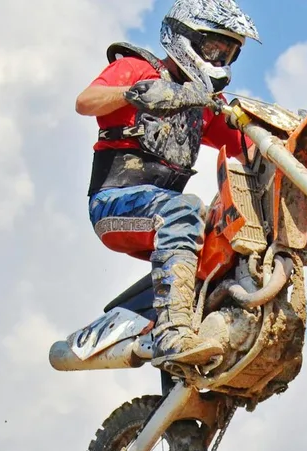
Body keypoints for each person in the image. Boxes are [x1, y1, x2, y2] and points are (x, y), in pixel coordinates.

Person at [74, 0, 260, 374]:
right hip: (115, 204)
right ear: (186, 38)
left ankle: (192, 354)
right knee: (186, 208)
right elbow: (85, 102)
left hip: (167, 217)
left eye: (229, 54)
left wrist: (304, 140)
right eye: (213, 48)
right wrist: (134, 93)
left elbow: (250, 146)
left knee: (228, 235)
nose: (220, 59)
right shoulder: (138, 68)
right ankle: (172, 333)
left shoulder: (203, 104)